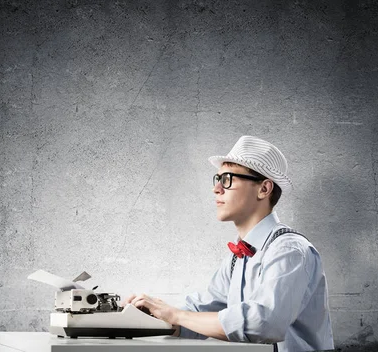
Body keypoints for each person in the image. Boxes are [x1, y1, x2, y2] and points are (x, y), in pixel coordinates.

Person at [124, 136, 334, 352]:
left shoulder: (289, 250)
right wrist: (153, 314)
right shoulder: (237, 257)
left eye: (227, 179)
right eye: (217, 179)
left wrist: (176, 315)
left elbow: (264, 323)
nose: (216, 189)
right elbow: (200, 312)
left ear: (264, 189)